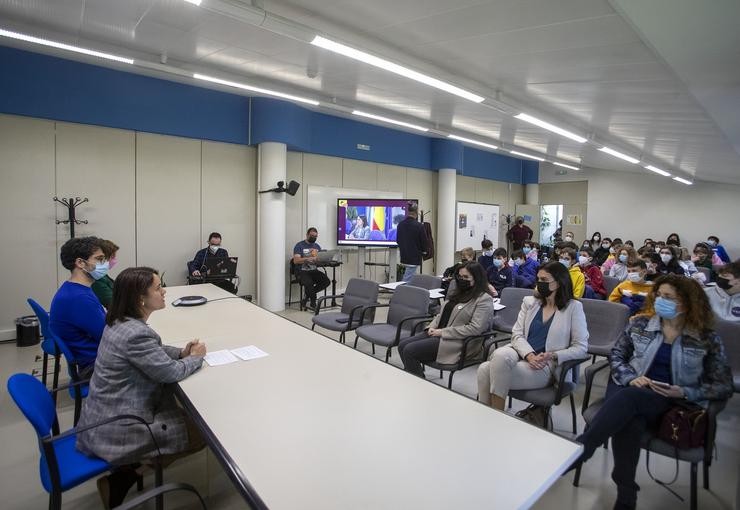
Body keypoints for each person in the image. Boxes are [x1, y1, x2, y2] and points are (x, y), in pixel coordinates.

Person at [573, 274, 733, 510]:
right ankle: (626, 496)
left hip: (672, 403)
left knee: (630, 402)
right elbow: (617, 356)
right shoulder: (640, 324)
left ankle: (581, 450)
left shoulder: (705, 338)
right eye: (659, 295)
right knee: (631, 416)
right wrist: (632, 378)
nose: (661, 300)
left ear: (687, 302)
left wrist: (683, 391)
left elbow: (723, 384)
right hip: (632, 389)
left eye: (669, 297)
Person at [76, 267, 207, 508]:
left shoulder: (119, 322)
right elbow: (170, 373)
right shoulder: (136, 334)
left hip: (101, 416)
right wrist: (195, 357)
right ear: (140, 299)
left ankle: (128, 474)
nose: (164, 291)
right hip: (119, 427)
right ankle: (130, 473)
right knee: (204, 431)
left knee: (186, 414)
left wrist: (180, 352)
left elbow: (152, 349)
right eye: (158, 288)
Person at [477, 261, 588, 410]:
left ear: (559, 283)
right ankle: (494, 416)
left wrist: (552, 355)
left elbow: (581, 348)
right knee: (499, 355)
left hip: (545, 365)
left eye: (544, 280)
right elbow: (517, 334)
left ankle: (492, 417)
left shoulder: (574, 308)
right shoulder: (530, 302)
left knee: (485, 370)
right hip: (521, 352)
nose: (539, 284)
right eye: (538, 279)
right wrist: (529, 355)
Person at [399, 262, 494, 376]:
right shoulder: (458, 292)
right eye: (459, 276)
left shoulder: (484, 299)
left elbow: (475, 328)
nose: (461, 280)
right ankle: (414, 376)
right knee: (402, 345)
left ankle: (418, 383)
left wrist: (442, 332)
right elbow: (441, 314)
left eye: (466, 277)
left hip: (457, 341)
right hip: (438, 332)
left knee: (409, 351)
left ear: (477, 278)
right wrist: (432, 326)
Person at [50, 236, 107, 376]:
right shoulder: (79, 298)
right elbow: (109, 337)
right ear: (81, 263)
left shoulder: (74, 289)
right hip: (97, 365)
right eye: (99, 259)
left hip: (91, 359)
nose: (104, 264)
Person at [293, 227, 331, 310]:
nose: (314, 238)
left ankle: (307, 295)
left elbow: (319, 260)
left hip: (313, 270)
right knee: (309, 283)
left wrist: (323, 259)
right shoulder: (299, 245)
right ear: (307, 235)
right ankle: (313, 302)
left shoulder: (317, 246)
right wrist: (307, 259)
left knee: (326, 281)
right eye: (312, 236)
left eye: (315, 236)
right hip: (301, 271)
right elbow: (296, 261)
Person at [396, 202, 427, 282]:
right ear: (416, 213)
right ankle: (401, 293)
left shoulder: (400, 225)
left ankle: (411, 293)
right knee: (407, 280)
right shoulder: (419, 226)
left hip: (404, 257)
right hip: (414, 258)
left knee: (412, 278)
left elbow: (398, 240)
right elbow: (424, 242)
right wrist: (424, 251)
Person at [91, 239, 119, 308]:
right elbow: (113, 303)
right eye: (112, 257)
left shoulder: (102, 275)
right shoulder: (96, 279)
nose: (114, 260)